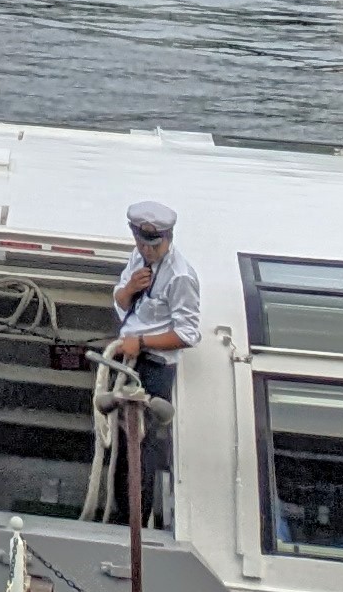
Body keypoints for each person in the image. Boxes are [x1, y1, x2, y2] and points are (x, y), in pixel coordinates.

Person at [109, 199, 199, 524]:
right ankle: (121, 511)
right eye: (141, 243)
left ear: (167, 238)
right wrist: (130, 287)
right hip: (128, 360)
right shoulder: (137, 258)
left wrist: (142, 342)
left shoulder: (181, 276)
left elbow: (187, 334)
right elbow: (120, 301)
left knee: (142, 443)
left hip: (154, 366)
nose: (148, 251)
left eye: (154, 244)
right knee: (121, 439)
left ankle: (136, 520)